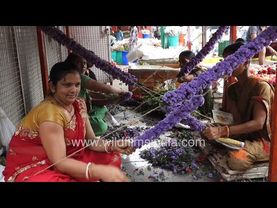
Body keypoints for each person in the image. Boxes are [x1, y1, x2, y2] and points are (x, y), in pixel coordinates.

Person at [3, 61, 134, 182]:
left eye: (77, 85)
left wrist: (112, 145)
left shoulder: (79, 104)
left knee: (112, 157)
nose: (74, 90)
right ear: (52, 86)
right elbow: (59, 162)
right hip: (38, 165)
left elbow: (91, 141)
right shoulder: (50, 113)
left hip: (68, 156)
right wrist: (97, 171)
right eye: (67, 85)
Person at [202, 42, 275, 171]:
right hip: (244, 135)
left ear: (246, 62)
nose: (227, 66)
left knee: (236, 160)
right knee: (205, 134)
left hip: (264, 140)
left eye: (231, 62)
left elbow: (258, 123)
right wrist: (218, 127)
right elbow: (232, 118)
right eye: (225, 62)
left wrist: (222, 131)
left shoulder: (261, 87)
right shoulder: (232, 89)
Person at [64, 53, 126, 136]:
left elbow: (90, 96)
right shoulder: (76, 77)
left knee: (102, 109)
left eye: (85, 63)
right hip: (73, 117)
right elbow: (104, 88)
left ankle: (93, 121)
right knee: (101, 126)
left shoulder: (84, 75)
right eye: (79, 63)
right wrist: (120, 91)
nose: (83, 65)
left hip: (83, 111)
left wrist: (109, 100)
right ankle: (86, 128)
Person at [176, 50, 213, 116]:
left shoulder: (199, 71)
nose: (181, 65)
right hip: (194, 98)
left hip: (203, 100)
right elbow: (179, 80)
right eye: (180, 62)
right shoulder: (188, 70)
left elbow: (185, 78)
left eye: (183, 62)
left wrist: (189, 66)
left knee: (202, 114)